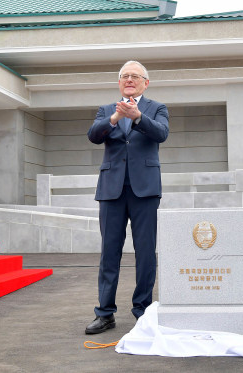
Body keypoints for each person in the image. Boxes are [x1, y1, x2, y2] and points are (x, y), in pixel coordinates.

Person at [85, 60, 169, 334]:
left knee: (146, 252)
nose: (129, 79)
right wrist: (115, 118)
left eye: (135, 76)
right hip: (111, 190)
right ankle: (105, 313)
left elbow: (161, 133)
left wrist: (136, 116)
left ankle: (142, 310)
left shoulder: (156, 108)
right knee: (109, 253)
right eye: (125, 76)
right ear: (119, 83)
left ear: (146, 82)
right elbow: (94, 135)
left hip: (145, 190)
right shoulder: (107, 110)